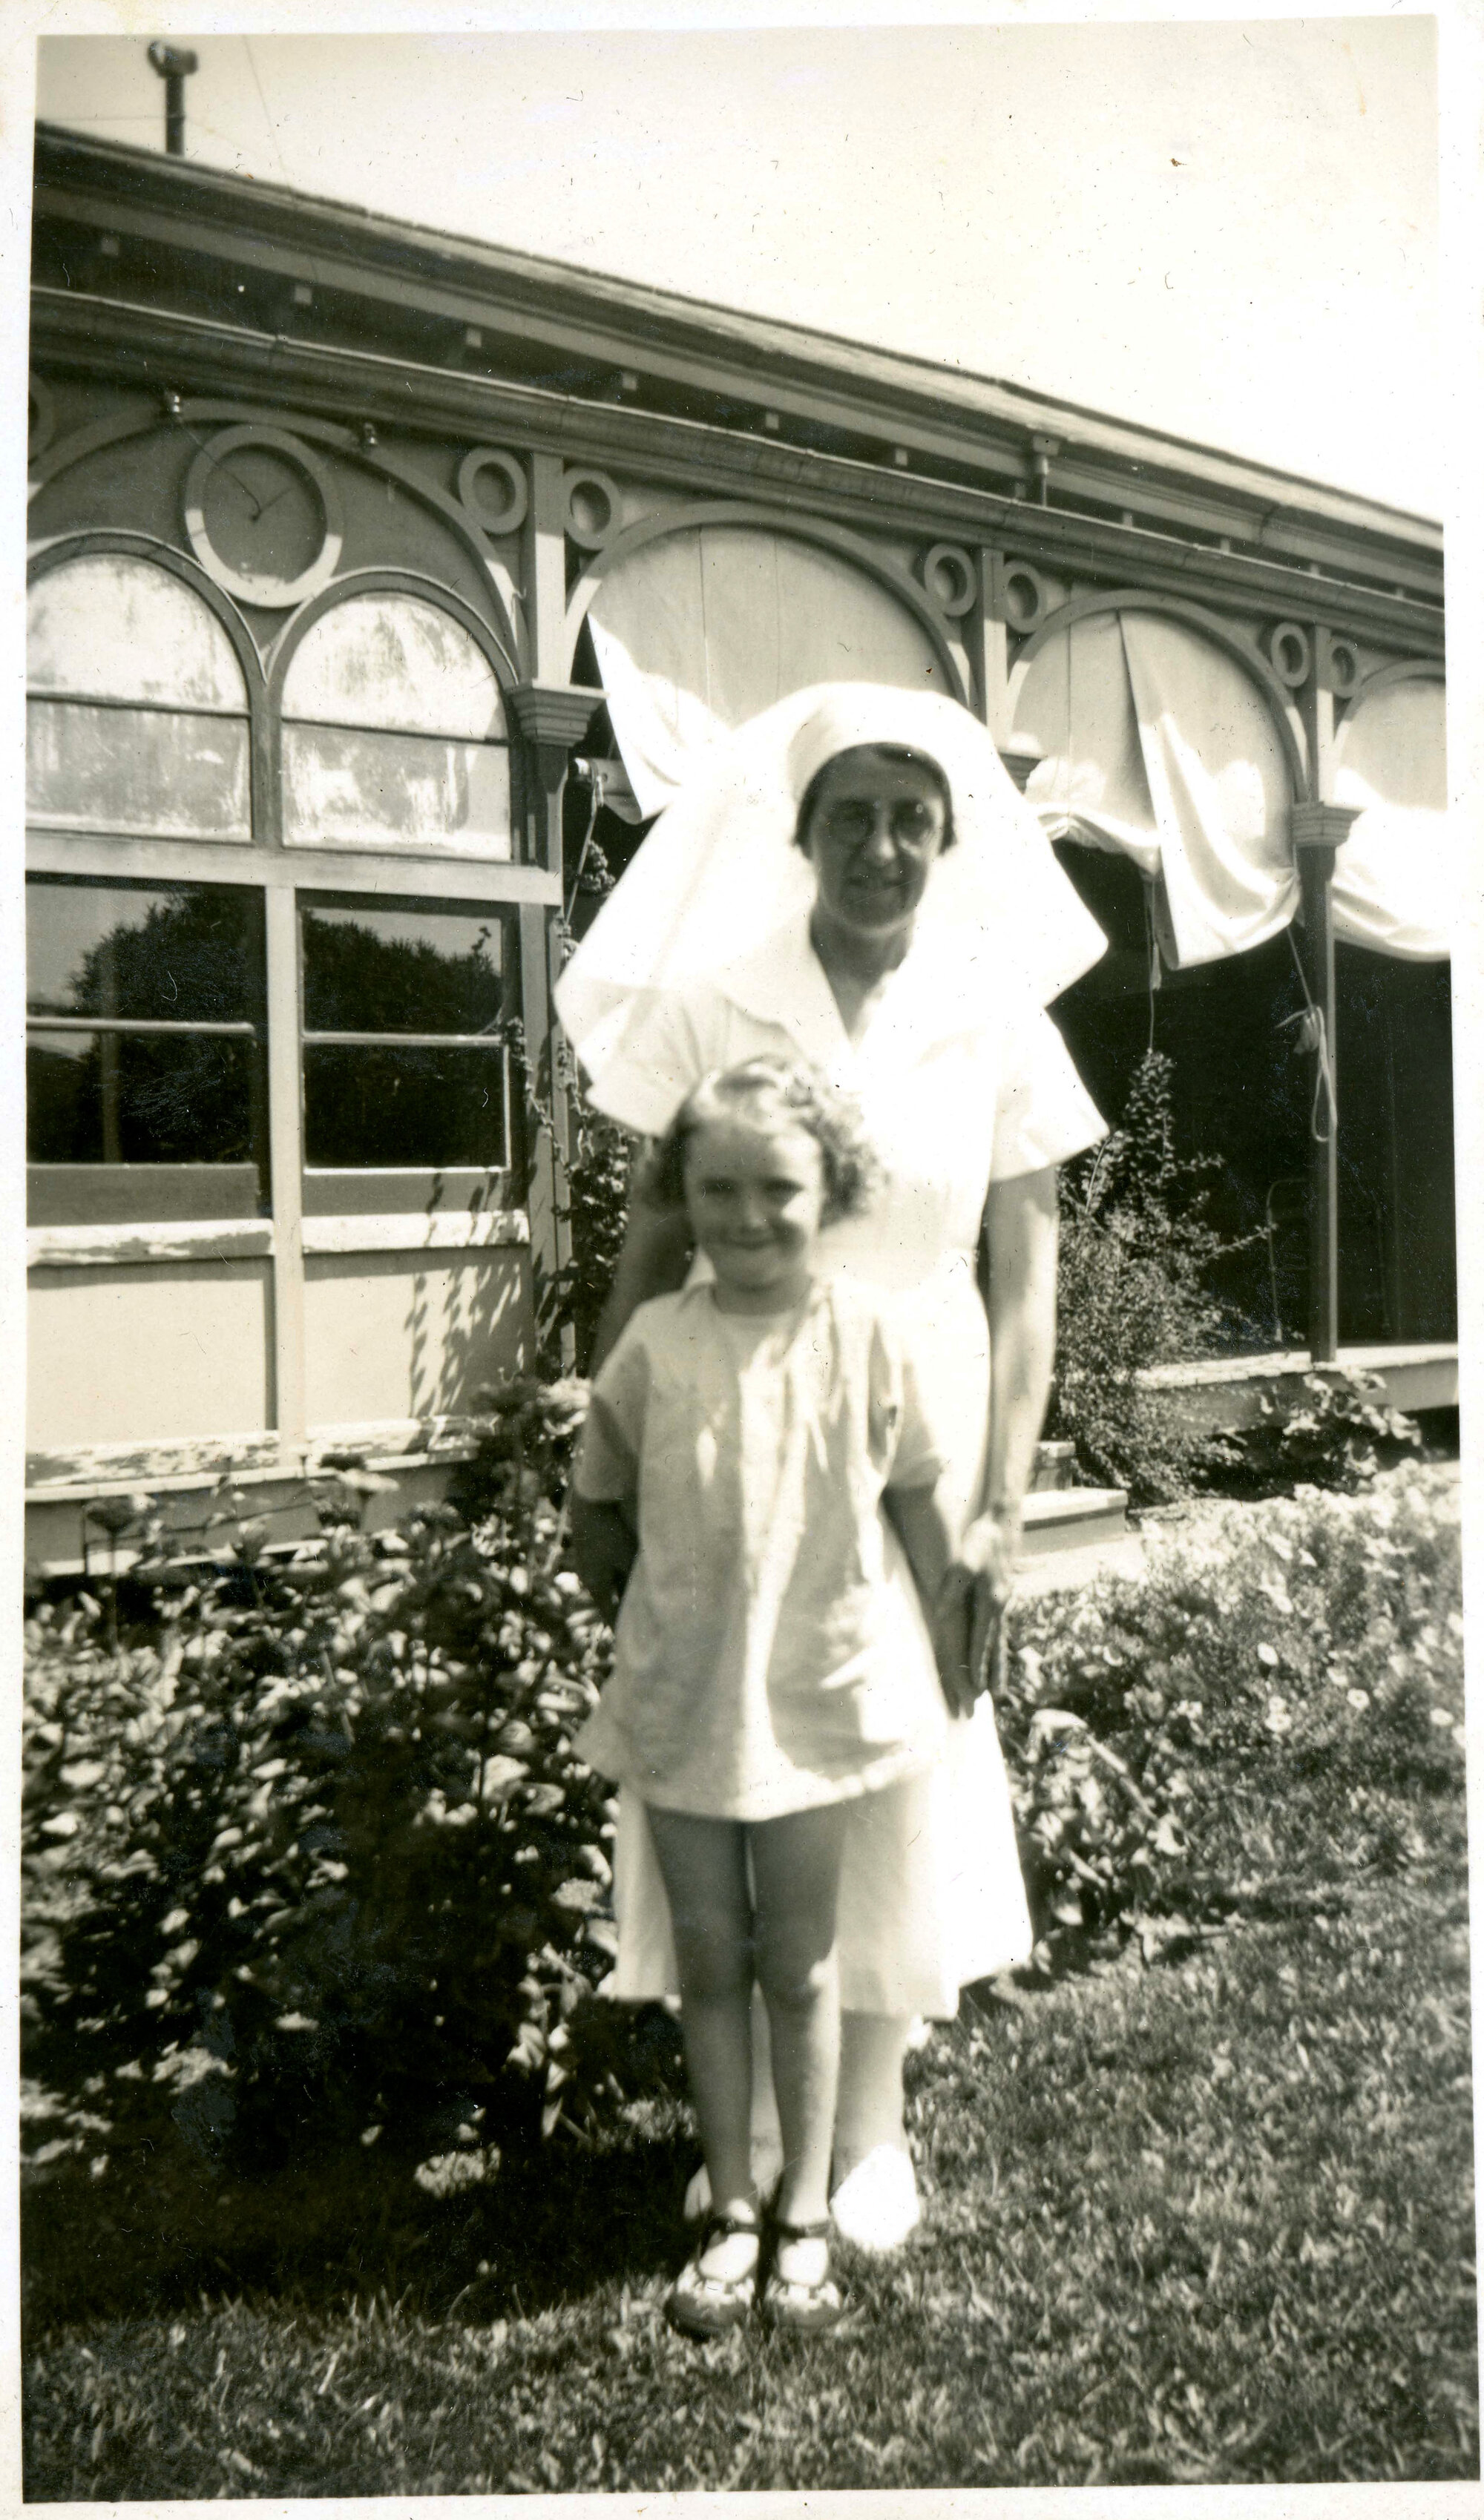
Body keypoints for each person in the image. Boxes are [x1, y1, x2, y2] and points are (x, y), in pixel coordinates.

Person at [556, 681, 1109, 2252]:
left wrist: (997, 1510)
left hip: (918, 1420)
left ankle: (867, 2131)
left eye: (911, 820)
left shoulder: (996, 1013)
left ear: (950, 838)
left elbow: (1027, 1283)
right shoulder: (714, 1003)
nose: (881, 847)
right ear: (797, 833)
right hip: (730, 1427)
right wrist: (604, 1463)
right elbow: (649, 1239)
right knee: (728, 1735)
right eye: (850, 817)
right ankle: (741, 2132)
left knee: (892, 1756)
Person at [571, 1054, 977, 2336]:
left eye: (779, 1189)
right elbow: (597, 1506)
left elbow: (919, 1499)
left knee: (799, 1960)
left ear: (833, 1190)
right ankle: (734, 2209)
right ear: (682, 1195)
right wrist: (643, 1623)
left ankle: (805, 2208)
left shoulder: (865, 1334)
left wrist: (954, 1632)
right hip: (688, 1698)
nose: (747, 1217)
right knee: (710, 1958)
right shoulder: (656, 1344)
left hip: (817, 1695)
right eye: (719, 1189)